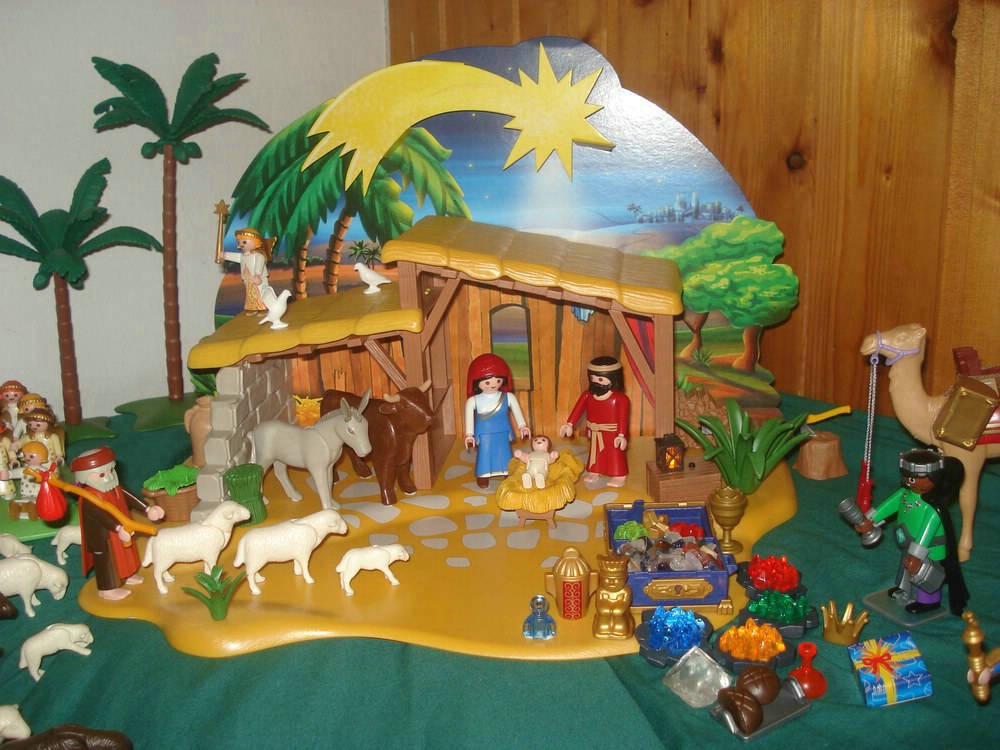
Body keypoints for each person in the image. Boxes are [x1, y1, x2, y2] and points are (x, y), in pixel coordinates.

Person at [853, 448, 969, 615]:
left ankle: (929, 601)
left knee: (926, 574)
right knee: (905, 568)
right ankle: (904, 589)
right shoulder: (904, 494)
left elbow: (926, 533)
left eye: (913, 478)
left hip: (929, 549)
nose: (908, 480)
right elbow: (886, 507)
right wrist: (869, 520)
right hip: (906, 541)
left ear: (934, 478)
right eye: (906, 476)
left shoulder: (932, 507)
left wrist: (916, 555)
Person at [71, 447, 165, 601]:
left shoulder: (114, 488)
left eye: (110, 471)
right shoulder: (89, 498)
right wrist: (118, 528)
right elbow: (101, 517)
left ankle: (126, 575)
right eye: (102, 475)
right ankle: (107, 589)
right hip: (104, 538)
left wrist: (148, 509)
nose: (108, 477)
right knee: (107, 562)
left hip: (122, 531)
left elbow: (130, 497)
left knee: (126, 554)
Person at [559, 355, 630, 488]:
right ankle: (595, 470)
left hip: (612, 433)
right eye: (593, 378)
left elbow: (623, 417)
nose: (595, 381)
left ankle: (619, 474)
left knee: (615, 453)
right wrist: (569, 424)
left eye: (600, 379)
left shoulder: (621, 399)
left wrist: (621, 435)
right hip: (595, 431)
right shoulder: (587, 395)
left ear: (613, 378)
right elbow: (578, 409)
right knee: (595, 453)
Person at [464, 353, 530, 489]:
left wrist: (522, 426)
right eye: (487, 382)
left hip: (503, 431)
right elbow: (469, 417)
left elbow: (517, 412)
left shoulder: (508, 397)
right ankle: (483, 476)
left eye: (498, 380)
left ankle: (507, 472)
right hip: (484, 433)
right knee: (485, 453)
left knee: (504, 452)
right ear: (476, 381)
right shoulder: (473, 401)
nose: (493, 385)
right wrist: (469, 434)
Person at [223, 227, 270, 315]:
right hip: (247, 278)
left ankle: (263, 307)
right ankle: (253, 307)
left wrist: (257, 274)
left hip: (257, 278)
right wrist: (225, 255)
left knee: (260, 291)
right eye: (239, 242)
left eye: (244, 242)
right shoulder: (243, 255)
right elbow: (236, 257)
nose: (241, 244)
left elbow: (259, 264)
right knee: (250, 293)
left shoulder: (259, 256)